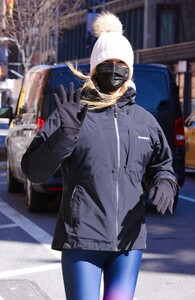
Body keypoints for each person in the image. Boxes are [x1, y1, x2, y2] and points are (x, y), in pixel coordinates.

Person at [21, 11, 178, 300]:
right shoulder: (72, 115)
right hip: (82, 240)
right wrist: (63, 137)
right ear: (95, 68)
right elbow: (34, 171)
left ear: (129, 70)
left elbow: (163, 165)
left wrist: (166, 182)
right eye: (108, 63)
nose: (114, 69)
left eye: (121, 64)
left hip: (128, 242)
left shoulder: (145, 121)